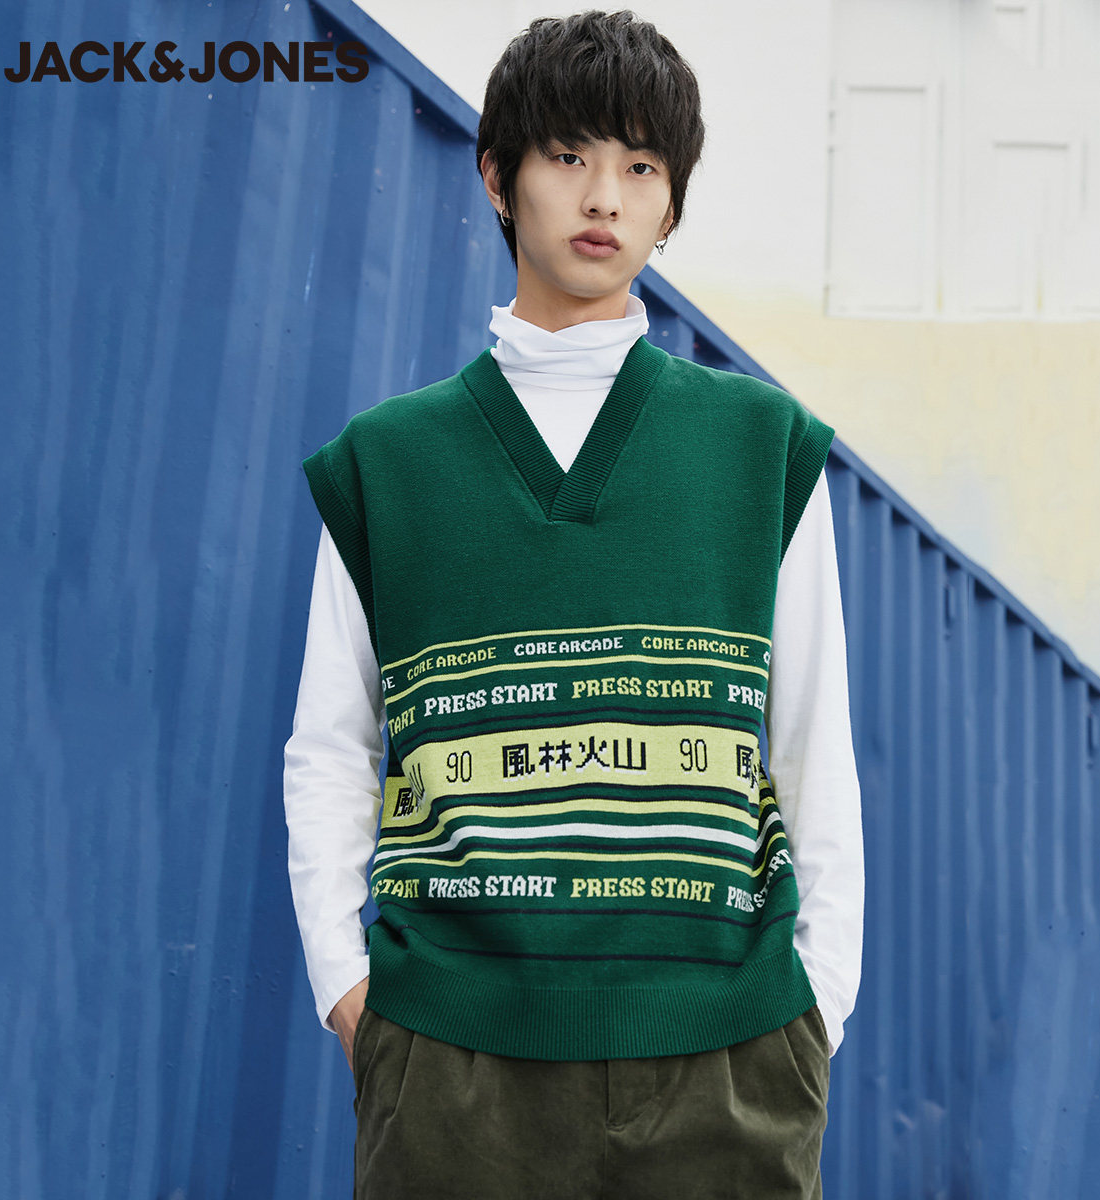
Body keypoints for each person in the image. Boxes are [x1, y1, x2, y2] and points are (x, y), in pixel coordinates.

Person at [283, 10, 864, 1198]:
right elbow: (332, 744)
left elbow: (812, 745)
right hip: (451, 1066)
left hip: (726, 1057)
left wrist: (818, 1006)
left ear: (671, 204)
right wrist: (348, 985)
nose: (605, 196)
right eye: (569, 155)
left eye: (642, 167)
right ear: (498, 177)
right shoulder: (389, 463)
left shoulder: (762, 447)